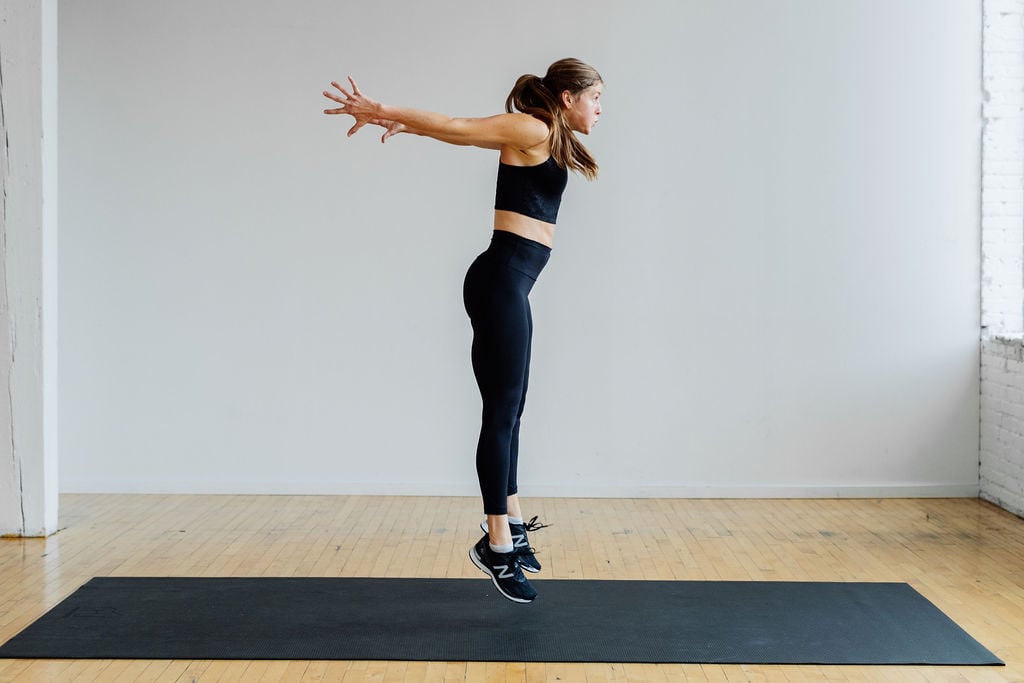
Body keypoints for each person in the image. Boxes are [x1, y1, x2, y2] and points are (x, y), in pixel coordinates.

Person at [323, 58, 602, 603]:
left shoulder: (551, 137)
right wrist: (385, 112)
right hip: (500, 281)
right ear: (567, 97)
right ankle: (496, 545)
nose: (600, 110)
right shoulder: (533, 128)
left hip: (509, 284)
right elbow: (458, 127)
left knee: (512, 408)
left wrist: (408, 122)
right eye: (596, 98)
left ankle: (513, 525)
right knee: (500, 413)